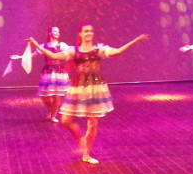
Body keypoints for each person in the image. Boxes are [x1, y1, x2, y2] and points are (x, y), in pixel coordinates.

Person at [27, 24, 148, 165]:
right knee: (65, 120)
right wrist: (36, 44)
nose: (89, 33)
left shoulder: (98, 50)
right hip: (78, 88)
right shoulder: (74, 51)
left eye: (91, 31)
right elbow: (53, 55)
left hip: (94, 88)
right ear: (80, 34)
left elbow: (117, 52)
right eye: (86, 31)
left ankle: (86, 155)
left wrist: (135, 41)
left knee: (92, 123)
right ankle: (80, 139)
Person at [12, 27, 70, 123]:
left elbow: (71, 52)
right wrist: (20, 57)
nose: (57, 33)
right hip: (48, 72)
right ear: (50, 33)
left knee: (57, 95)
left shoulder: (62, 45)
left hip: (58, 72)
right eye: (55, 31)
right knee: (44, 97)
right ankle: (53, 111)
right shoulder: (44, 46)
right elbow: (32, 55)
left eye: (58, 31)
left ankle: (53, 116)